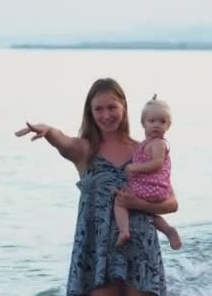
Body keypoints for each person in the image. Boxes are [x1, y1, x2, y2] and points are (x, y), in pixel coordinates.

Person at [15, 78, 178, 296]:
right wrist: (49, 131)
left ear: (124, 107)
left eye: (112, 107)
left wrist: (136, 203)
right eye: (98, 109)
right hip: (97, 251)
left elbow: (171, 203)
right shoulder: (84, 150)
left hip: (140, 248)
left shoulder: (144, 151)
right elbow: (63, 141)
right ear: (90, 112)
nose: (106, 115)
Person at [114, 95, 182, 250]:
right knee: (148, 212)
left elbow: (157, 164)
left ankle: (124, 231)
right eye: (152, 121)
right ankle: (168, 229)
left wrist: (134, 168)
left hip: (153, 187)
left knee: (120, 200)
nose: (157, 125)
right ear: (143, 123)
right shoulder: (146, 144)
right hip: (154, 188)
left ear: (169, 125)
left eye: (162, 122)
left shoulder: (159, 144)